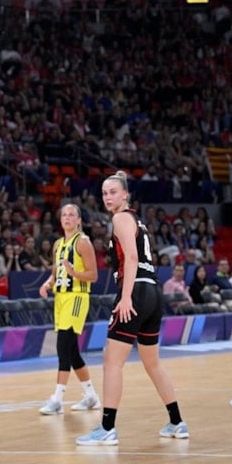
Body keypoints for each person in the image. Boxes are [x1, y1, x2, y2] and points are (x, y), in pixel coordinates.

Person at [77, 171, 188, 445]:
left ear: (125, 195)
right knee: (152, 363)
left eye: (113, 192)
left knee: (111, 362)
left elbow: (132, 257)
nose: (108, 197)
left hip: (136, 291)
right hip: (153, 293)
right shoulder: (137, 220)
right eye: (104, 193)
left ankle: (107, 428)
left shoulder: (120, 218)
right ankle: (177, 422)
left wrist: (125, 297)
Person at [37, 204, 101, 415]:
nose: (67, 218)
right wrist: (48, 283)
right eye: (64, 214)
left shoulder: (83, 242)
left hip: (77, 298)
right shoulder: (58, 244)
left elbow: (93, 275)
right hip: (60, 299)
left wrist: (75, 273)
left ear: (79, 220)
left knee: (63, 346)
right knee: (72, 352)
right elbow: (56, 272)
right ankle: (91, 396)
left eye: (72, 215)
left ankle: (57, 399)